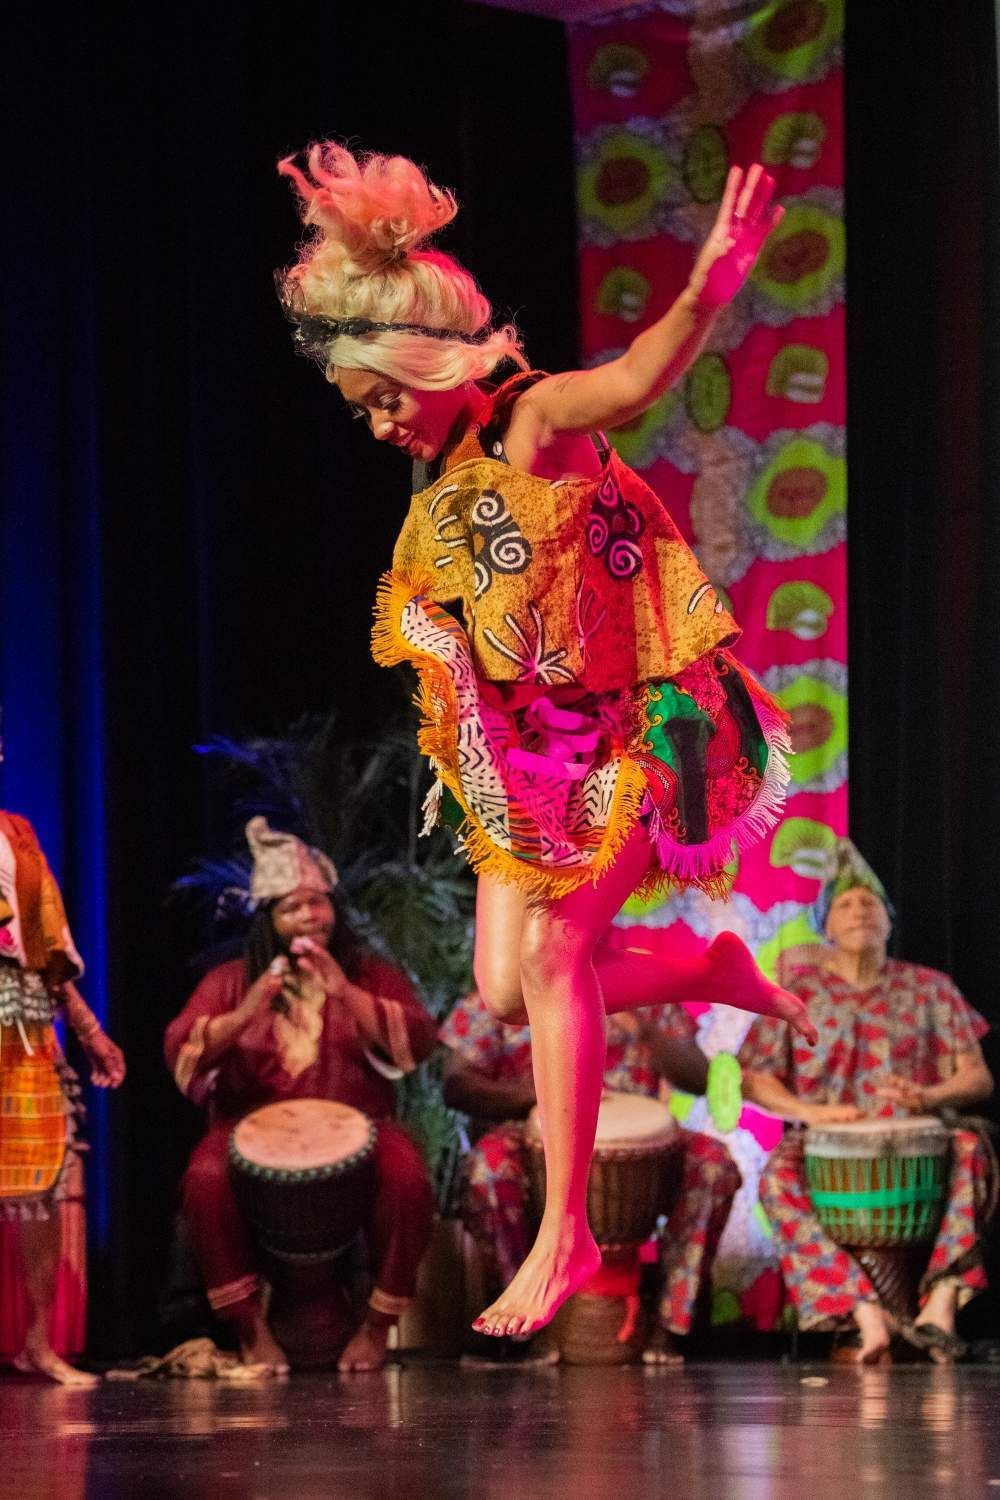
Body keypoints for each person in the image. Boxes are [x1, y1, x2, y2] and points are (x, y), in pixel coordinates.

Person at [276, 142, 816, 1339]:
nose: (375, 427)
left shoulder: (526, 420)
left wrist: (704, 291)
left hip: (650, 726)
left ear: (428, 362)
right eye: (358, 409)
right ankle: (708, 970)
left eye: (381, 399)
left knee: (562, 946)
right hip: (539, 758)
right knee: (502, 990)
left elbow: (624, 382)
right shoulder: (451, 478)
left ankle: (568, 1232)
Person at [164, 817, 437, 1373]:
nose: (309, 916)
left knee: (407, 1175)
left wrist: (345, 991)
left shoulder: (367, 973)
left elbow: (418, 1040)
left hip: (361, 1127)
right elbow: (182, 1051)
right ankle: (252, 1333)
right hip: (250, 1132)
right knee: (204, 1178)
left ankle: (376, 1331)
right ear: (270, 921)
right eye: (292, 907)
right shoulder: (232, 981)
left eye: (318, 902)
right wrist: (247, 1012)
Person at [740, 839, 995, 1363]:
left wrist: (930, 1096)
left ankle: (941, 1305)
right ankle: (862, 1313)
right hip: (824, 1144)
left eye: (870, 904)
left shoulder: (931, 988)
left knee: (972, 1147)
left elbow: (978, 1079)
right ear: (824, 925)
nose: (859, 911)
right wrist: (811, 1113)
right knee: (774, 1179)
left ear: (889, 921)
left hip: (923, 1136)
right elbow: (753, 1079)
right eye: (845, 904)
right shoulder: (794, 992)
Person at [441, 983, 740, 1362]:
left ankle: (670, 1323)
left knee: (712, 1164)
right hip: (537, 1133)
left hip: (642, 1144)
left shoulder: (643, 983)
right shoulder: (502, 990)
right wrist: (541, 1095)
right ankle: (525, 1324)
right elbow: (456, 1085)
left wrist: (647, 1028)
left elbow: (699, 1078)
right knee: (489, 1169)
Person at [0, 809, 125, 1385]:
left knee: (41, 1177)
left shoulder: (18, 835)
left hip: (22, 1016)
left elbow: (46, 945)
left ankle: (39, 1344)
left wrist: (89, 1029)